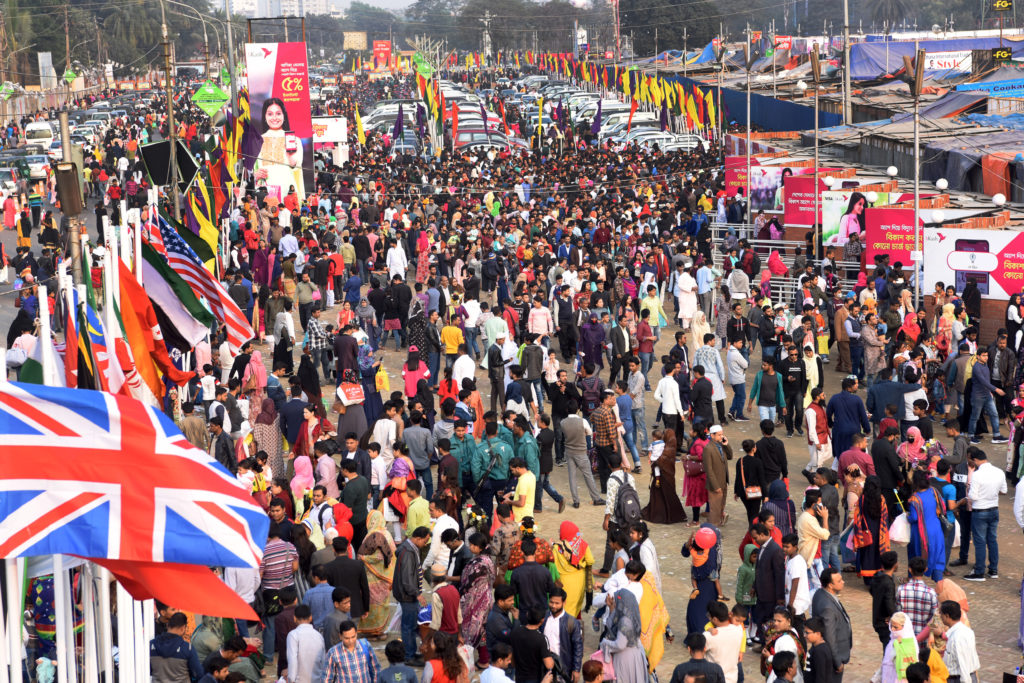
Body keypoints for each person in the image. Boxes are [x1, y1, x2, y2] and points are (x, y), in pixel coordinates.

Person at [964, 448, 1006, 581]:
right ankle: (993, 570)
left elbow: (973, 496)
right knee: (992, 540)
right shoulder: (999, 471)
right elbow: (1004, 490)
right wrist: (991, 493)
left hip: (980, 511)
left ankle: (979, 571)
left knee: (980, 542)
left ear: (975, 460)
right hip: (994, 509)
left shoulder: (977, 475)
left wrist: (972, 490)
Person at [356, 511, 396, 638]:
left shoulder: (372, 534)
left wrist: (364, 559)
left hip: (372, 575)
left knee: (371, 602)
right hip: (386, 575)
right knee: (381, 603)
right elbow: (392, 554)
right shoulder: (387, 534)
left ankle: (370, 629)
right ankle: (379, 630)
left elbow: (379, 556)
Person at [394, 526, 430, 665]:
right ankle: (409, 656)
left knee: (410, 625)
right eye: (425, 540)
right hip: (408, 596)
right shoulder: (408, 552)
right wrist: (417, 594)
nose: (425, 543)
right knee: (408, 627)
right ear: (417, 538)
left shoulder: (410, 548)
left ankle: (411, 652)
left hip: (408, 594)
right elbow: (407, 579)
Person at [809, 569, 852, 681]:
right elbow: (830, 636)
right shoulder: (827, 607)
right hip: (832, 657)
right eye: (839, 581)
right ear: (830, 585)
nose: (843, 582)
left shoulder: (820, 593)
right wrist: (837, 662)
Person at [680, 525, 722, 636]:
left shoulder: (711, 548)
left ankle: (699, 635)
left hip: (704, 583)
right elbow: (685, 552)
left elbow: (685, 552)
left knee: (697, 610)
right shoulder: (710, 546)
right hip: (709, 583)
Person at [600, 590, 648, 683]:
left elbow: (620, 645)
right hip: (634, 656)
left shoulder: (625, 621)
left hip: (625, 659)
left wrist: (605, 643)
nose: (614, 601)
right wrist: (611, 607)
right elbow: (611, 624)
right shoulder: (629, 615)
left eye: (616, 600)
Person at [853, 476, 892, 583]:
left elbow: (857, 517)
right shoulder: (882, 499)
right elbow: (885, 517)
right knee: (878, 553)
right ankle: (878, 576)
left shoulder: (862, 499)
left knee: (867, 555)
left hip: (865, 532)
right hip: (879, 532)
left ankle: (868, 579)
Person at [552, 521, 594, 618]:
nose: (559, 532)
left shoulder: (557, 548)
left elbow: (552, 565)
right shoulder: (582, 544)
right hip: (579, 581)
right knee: (575, 607)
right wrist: (582, 564)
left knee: (564, 610)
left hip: (564, 583)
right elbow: (590, 560)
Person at [542, 588, 584, 682]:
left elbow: (578, 647)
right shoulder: (543, 618)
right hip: (544, 666)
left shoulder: (572, 622)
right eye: (551, 602)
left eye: (557, 603)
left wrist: (576, 669)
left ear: (564, 603)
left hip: (563, 668)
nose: (553, 606)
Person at [150, 612, 203, 683]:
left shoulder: (152, 645)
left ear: (168, 625)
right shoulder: (188, 648)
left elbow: (148, 670)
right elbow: (198, 674)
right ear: (183, 628)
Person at [511, 606, 555, 683]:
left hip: (519, 677)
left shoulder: (515, 632)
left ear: (527, 615)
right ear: (542, 620)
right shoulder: (542, 639)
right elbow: (549, 665)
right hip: (535, 678)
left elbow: (512, 661)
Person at [703, 601, 744, 683]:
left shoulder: (708, 636)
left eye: (709, 617)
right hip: (732, 678)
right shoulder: (739, 629)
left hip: (714, 679)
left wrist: (709, 629)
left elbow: (700, 654)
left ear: (714, 619)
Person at [939, 600, 979, 683]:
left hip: (960, 679)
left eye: (941, 614)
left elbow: (963, 663)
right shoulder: (966, 631)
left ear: (947, 616)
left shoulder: (957, 637)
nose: (940, 617)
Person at [286, 604, 326, 683]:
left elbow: (292, 659)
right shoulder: (318, 635)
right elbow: (323, 660)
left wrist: (291, 679)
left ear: (294, 618)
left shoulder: (293, 635)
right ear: (311, 617)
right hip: (317, 680)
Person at [871, 551, 899, 650]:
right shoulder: (888, 582)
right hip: (884, 622)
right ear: (895, 564)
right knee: (889, 651)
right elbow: (889, 604)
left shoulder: (876, 577)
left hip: (877, 619)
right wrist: (895, 618)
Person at [781, 534, 811, 627]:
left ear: (795, 547)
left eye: (787, 547)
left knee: (797, 630)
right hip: (792, 601)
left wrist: (790, 604)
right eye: (783, 546)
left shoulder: (796, 562)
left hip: (796, 603)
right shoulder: (789, 559)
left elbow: (795, 584)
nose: (784, 549)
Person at [802, 617, 836, 683]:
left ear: (818, 633)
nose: (804, 635)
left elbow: (820, 677)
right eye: (804, 632)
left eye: (807, 633)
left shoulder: (820, 652)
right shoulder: (816, 646)